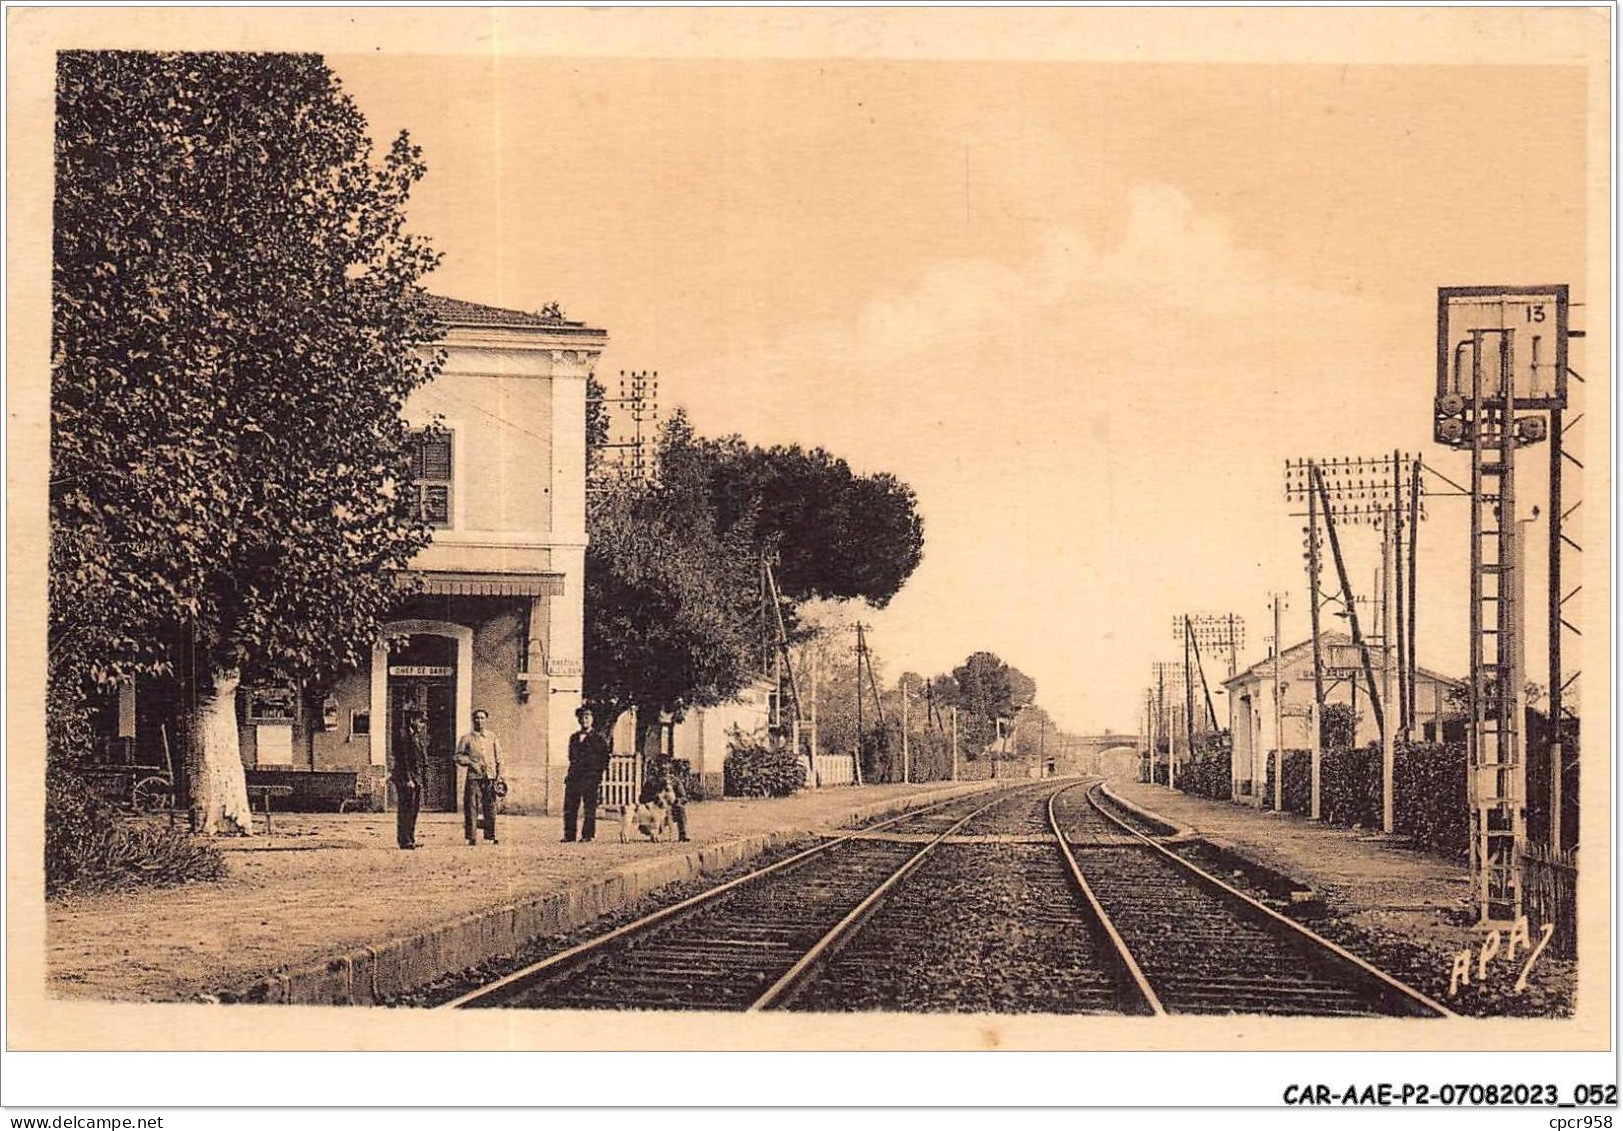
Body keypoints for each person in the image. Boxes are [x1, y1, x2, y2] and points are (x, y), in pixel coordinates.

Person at [562, 706, 612, 842]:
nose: (584, 720)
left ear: (592, 719)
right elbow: (571, 757)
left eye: (587, 717)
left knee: (589, 808)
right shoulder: (574, 738)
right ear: (578, 720)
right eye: (582, 717)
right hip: (574, 777)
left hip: (590, 778)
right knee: (570, 807)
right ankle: (569, 835)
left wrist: (596, 775)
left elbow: (605, 759)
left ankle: (588, 835)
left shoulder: (599, 739)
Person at [455, 708, 502, 846]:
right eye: (477, 718)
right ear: (473, 720)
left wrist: (500, 776)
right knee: (471, 806)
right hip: (474, 777)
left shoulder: (492, 737)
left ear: (486, 720)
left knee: (491, 807)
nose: (479, 721)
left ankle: (490, 836)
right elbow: (457, 756)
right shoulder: (466, 738)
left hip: (490, 777)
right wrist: (470, 762)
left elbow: (499, 758)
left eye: (482, 718)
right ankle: (471, 836)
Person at [392, 702, 429, 850]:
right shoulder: (403, 735)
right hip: (406, 778)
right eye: (421, 721)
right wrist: (408, 779)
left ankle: (410, 838)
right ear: (412, 720)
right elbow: (403, 759)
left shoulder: (416, 736)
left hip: (416, 777)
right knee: (406, 809)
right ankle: (404, 840)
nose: (422, 725)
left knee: (413, 809)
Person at [639, 755, 690, 842]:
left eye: (666, 764)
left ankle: (683, 834)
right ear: (657, 766)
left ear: (670, 765)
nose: (663, 766)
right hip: (655, 812)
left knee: (680, 808)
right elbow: (642, 798)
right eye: (660, 764)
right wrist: (655, 798)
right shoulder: (651, 781)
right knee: (645, 822)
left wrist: (676, 801)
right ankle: (652, 832)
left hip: (671, 811)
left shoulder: (675, 781)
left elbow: (684, 798)